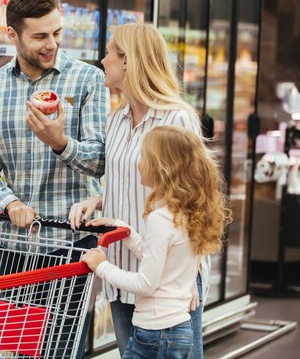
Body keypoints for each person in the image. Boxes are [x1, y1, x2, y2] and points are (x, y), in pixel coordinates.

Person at [0, 0, 108, 358]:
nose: (52, 44)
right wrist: (8, 202)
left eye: (57, 33)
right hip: (15, 248)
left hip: (73, 248)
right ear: (12, 34)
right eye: (41, 36)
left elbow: (100, 159)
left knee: (62, 351)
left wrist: (60, 142)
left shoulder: (87, 80)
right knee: (11, 350)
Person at [68, 22, 209, 358]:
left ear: (128, 61)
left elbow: (195, 197)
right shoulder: (115, 120)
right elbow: (131, 178)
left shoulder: (177, 118)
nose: (102, 60)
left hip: (169, 277)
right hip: (123, 268)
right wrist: (100, 197)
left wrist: (190, 279)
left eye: (109, 53)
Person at [81, 125, 230, 359]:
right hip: (177, 329)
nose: (138, 162)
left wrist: (102, 267)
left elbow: (146, 283)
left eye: (144, 157)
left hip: (154, 334)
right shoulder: (185, 213)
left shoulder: (160, 219)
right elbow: (161, 260)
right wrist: (126, 230)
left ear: (163, 167)